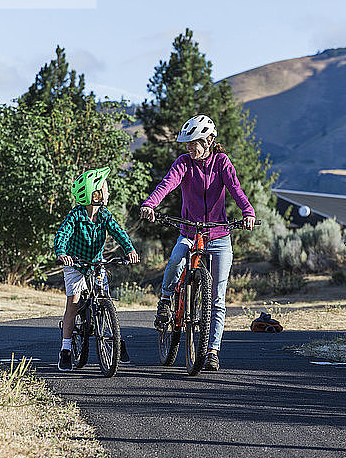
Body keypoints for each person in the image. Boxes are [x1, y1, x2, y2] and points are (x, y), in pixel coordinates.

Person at [140, 115, 255, 371]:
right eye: (188, 144)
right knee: (175, 260)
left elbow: (235, 189)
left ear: (209, 141)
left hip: (219, 236)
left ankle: (212, 350)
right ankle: (166, 299)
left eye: (194, 143)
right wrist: (150, 204)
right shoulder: (184, 164)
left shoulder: (222, 162)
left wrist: (248, 212)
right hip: (190, 232)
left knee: (217, 298)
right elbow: (167, 184)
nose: (190, 148)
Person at [55, 166, 139, 371]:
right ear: (94, 194)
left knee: (104, 297)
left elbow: (118, 232)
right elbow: (62, 234)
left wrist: (129, 249)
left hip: (96, 262)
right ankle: (66, 349)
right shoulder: (76, 215)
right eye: (104, 189)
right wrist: (62, 253)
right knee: (73, 305)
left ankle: (115, 336)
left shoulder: (104, 215)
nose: (107, 193)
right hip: (75, 264)